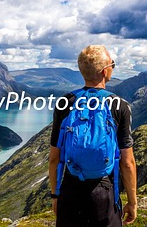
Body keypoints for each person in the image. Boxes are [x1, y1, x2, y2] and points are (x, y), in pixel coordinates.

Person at [49, 45, 137, 227]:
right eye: (113, 64)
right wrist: (132, 202)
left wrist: (55, 195)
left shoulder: (65, 102)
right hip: (104, 192)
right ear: (105, 71)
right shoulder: (119, 106)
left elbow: (54, 158)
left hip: (71, 189)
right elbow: (127, 162)